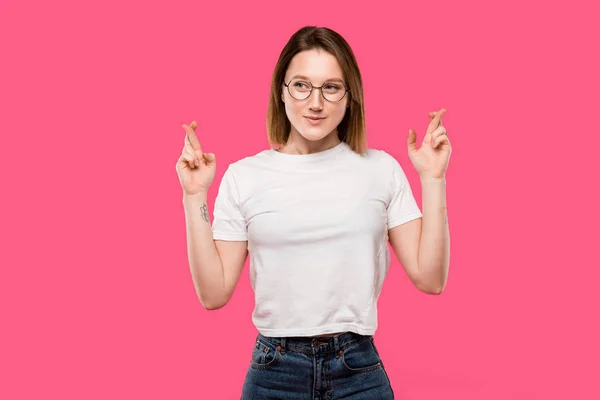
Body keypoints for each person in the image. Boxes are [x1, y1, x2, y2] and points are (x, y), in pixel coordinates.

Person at [176, 26, 451, 400]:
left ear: (349, 96)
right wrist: (194, 196)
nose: (315, 103)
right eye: (301, 85)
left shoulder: (379, 169)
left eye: (331, 87)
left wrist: (433, 178)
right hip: (275, 372)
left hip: (358, 369)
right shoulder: (245, 176)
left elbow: (430, 278)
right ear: (282, 91)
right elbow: (213, 293)